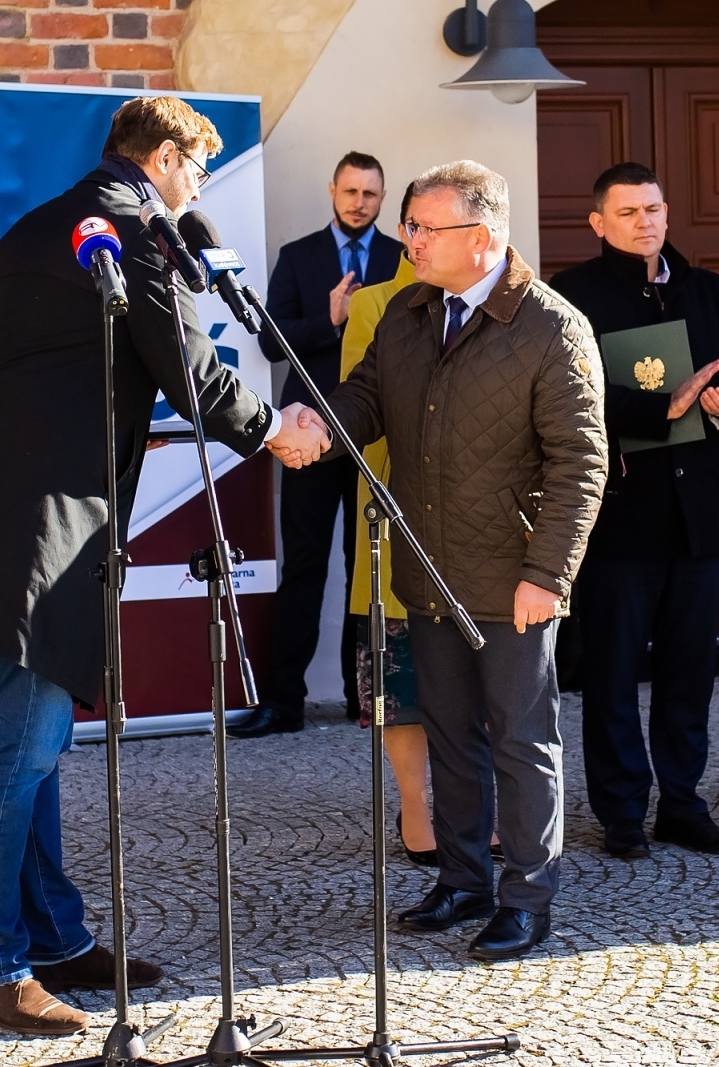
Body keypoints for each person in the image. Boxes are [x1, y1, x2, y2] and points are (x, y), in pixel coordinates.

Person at [0, 97, 328, 1035]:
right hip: (46, 530)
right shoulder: (137, 232)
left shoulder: (36, 227)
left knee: (36, 745)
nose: (198, 192)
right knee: (19, 749)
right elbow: (189, 367)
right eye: (198, 171)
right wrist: (275, 429)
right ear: (166, 157)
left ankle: (55, 937)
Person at [327, 160, 608, 962]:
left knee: (522, 739)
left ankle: (527, 897)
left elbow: (580, 464)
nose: (409, 240)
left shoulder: (552, 326)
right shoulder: (408, 312)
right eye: (409, 225)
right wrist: (311, 426)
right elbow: (366, 397)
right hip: (428, 568)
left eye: (425, 227)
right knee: (449, 733)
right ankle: (461, 880)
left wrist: (547, 575)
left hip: (514, 578)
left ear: (481, 237)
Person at [549, 163, 719, 860]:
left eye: (654, 208)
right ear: (598, 222)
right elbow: (565, 397)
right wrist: (658, 407)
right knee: (611, 674)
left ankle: (683, 804)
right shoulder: (572, 294)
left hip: (696, 513)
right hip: (620, 515)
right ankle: (620, 812)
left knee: (688, 674)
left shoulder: (705, 287)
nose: (646, 222)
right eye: (629, 211)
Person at [233, 152, 405, 738]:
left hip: (375, 433)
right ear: (333, 190)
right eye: (351, 191)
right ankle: (284, 703)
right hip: (307, 432)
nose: (359, 202)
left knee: (369, 567)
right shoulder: (299, 256)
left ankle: (368, 699)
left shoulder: (401, 258)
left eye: (370, 194)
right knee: (304, 566)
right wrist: (329, 321)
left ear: (383, 197)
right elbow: (269, 339)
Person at [338, 184, 429, 861]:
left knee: (477, 683)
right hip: (399, 508)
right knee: (401, 680)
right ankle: (417, 808)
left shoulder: (498, 302)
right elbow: (358, 411)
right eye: (417, 225)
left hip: (478, 519)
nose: (426, 238)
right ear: (403, 230)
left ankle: (474, 803)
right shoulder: (374, 304)